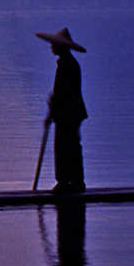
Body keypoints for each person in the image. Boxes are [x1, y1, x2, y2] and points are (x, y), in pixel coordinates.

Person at [38, 28, 87, 192]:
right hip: (71, 112)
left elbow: (61, 93)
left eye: (53, 44)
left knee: (64, 147)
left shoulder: (67, 64)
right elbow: (59, 92)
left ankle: (66, 182)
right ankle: (75, 182)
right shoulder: (68, 63)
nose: (51, 47)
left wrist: (50, 114)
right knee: (71, 146)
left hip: (68, 113)